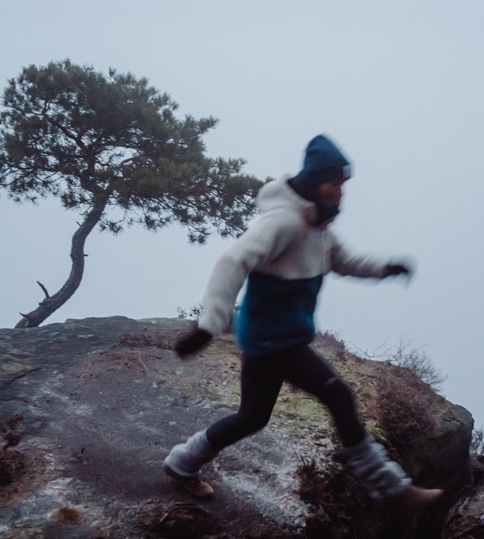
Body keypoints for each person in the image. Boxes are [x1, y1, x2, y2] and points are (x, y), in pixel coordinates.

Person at [163, 135, 443, 510]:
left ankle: (182, 462)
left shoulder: (319, 225)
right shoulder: (283, 222)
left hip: (279, 338)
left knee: (252, 417)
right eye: (335, 185)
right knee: (338, 395)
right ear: (315, 182)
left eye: (344, 186)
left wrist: (385, 269)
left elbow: (345, 261)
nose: (341, 194)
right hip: (272, 340)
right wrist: (207, 327)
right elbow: (232, 261)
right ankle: (390, 488)